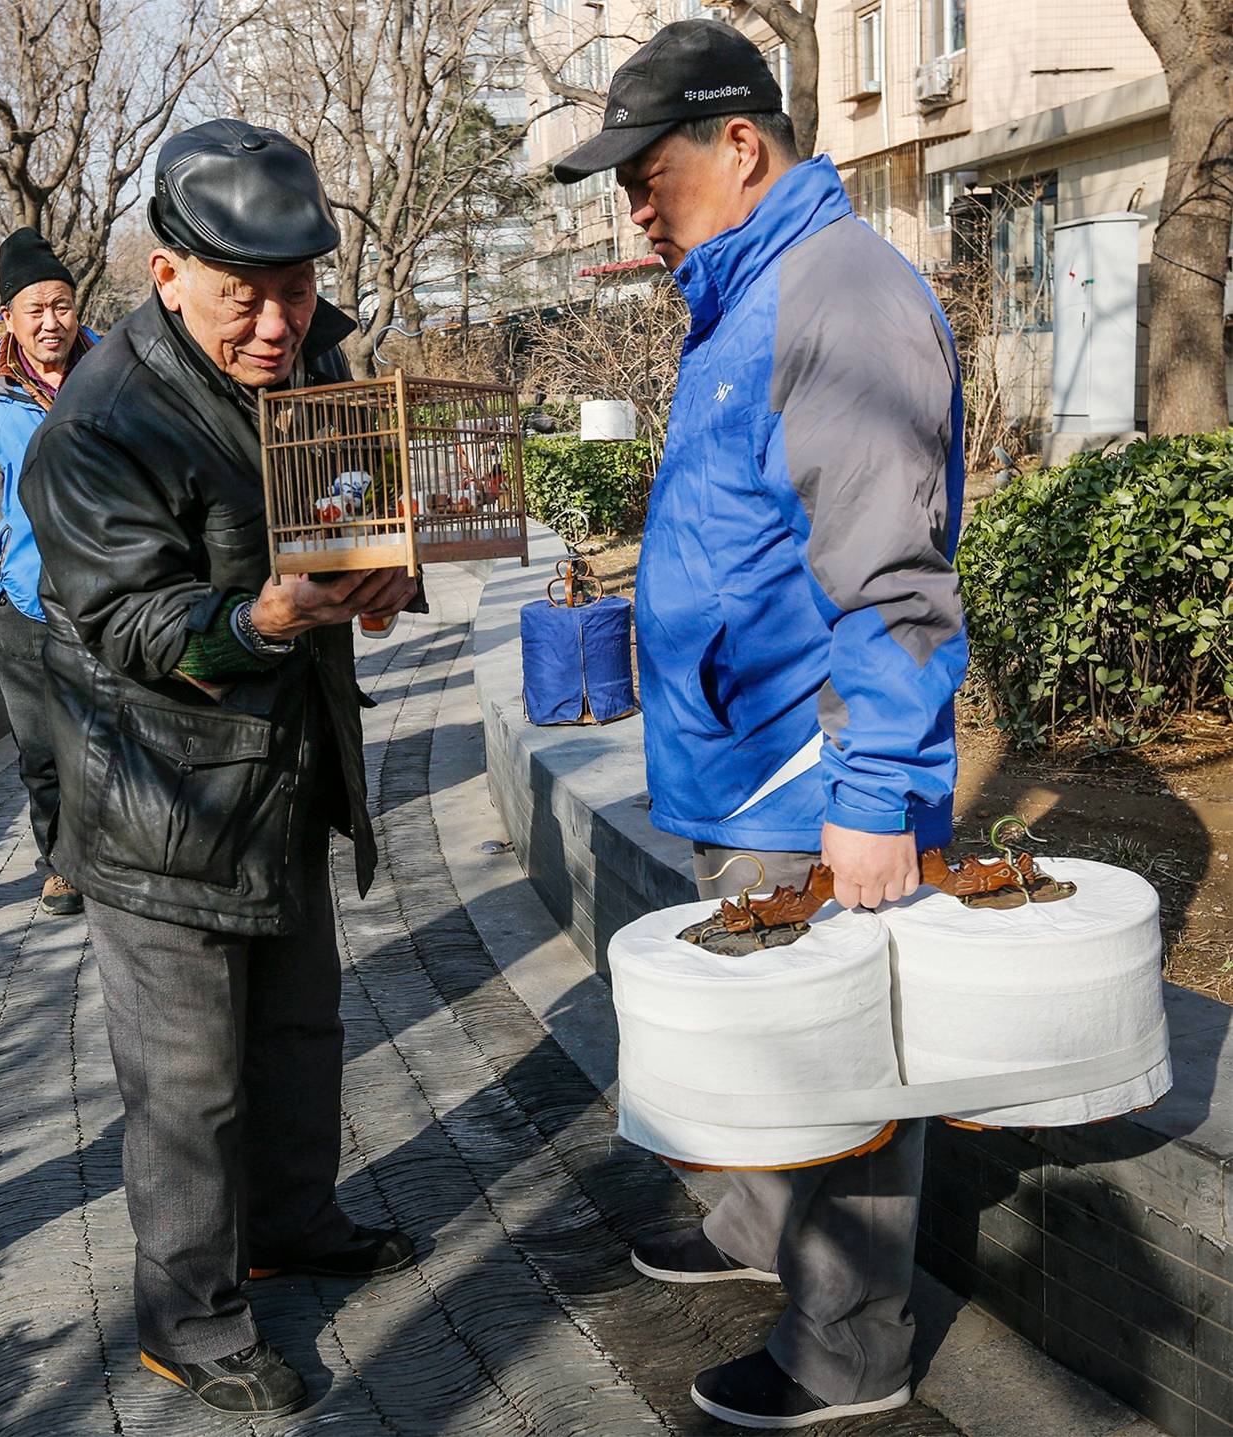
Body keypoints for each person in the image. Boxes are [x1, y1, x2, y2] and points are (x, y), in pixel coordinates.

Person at [553, 19, 966, 1431]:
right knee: (763, 1059)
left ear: (741, 145)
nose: (635, 207)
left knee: (839, 1074)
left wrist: (879, 789)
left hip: (813, 777)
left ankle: (848, 1352)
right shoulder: (745, 289)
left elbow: (896, 581)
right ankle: (749, 1237)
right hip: (747, 770)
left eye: (648, 175)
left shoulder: (839, 293)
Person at [21, 119, 421, 1417]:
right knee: (187, 1085)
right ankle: (188, 1319)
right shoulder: (95, 424)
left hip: (290, 769)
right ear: (166, 271)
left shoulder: (323, 352)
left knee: (303, 1030)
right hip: (164, 802)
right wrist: (266, 618)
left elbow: (353, 507)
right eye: (242, 295)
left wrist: (381, 575)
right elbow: (129, 625)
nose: (274, 324)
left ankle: (294, 1222)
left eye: (296, 288)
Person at [0, 228, 97, 915]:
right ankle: (61, 862)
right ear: (7, 317)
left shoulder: (111, 371)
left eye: (61, 305)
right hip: (24, 599)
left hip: (107, 592)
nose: (51, 322)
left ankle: (118, 855)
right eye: (35, 309)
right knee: (40, 747)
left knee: (109, 733)